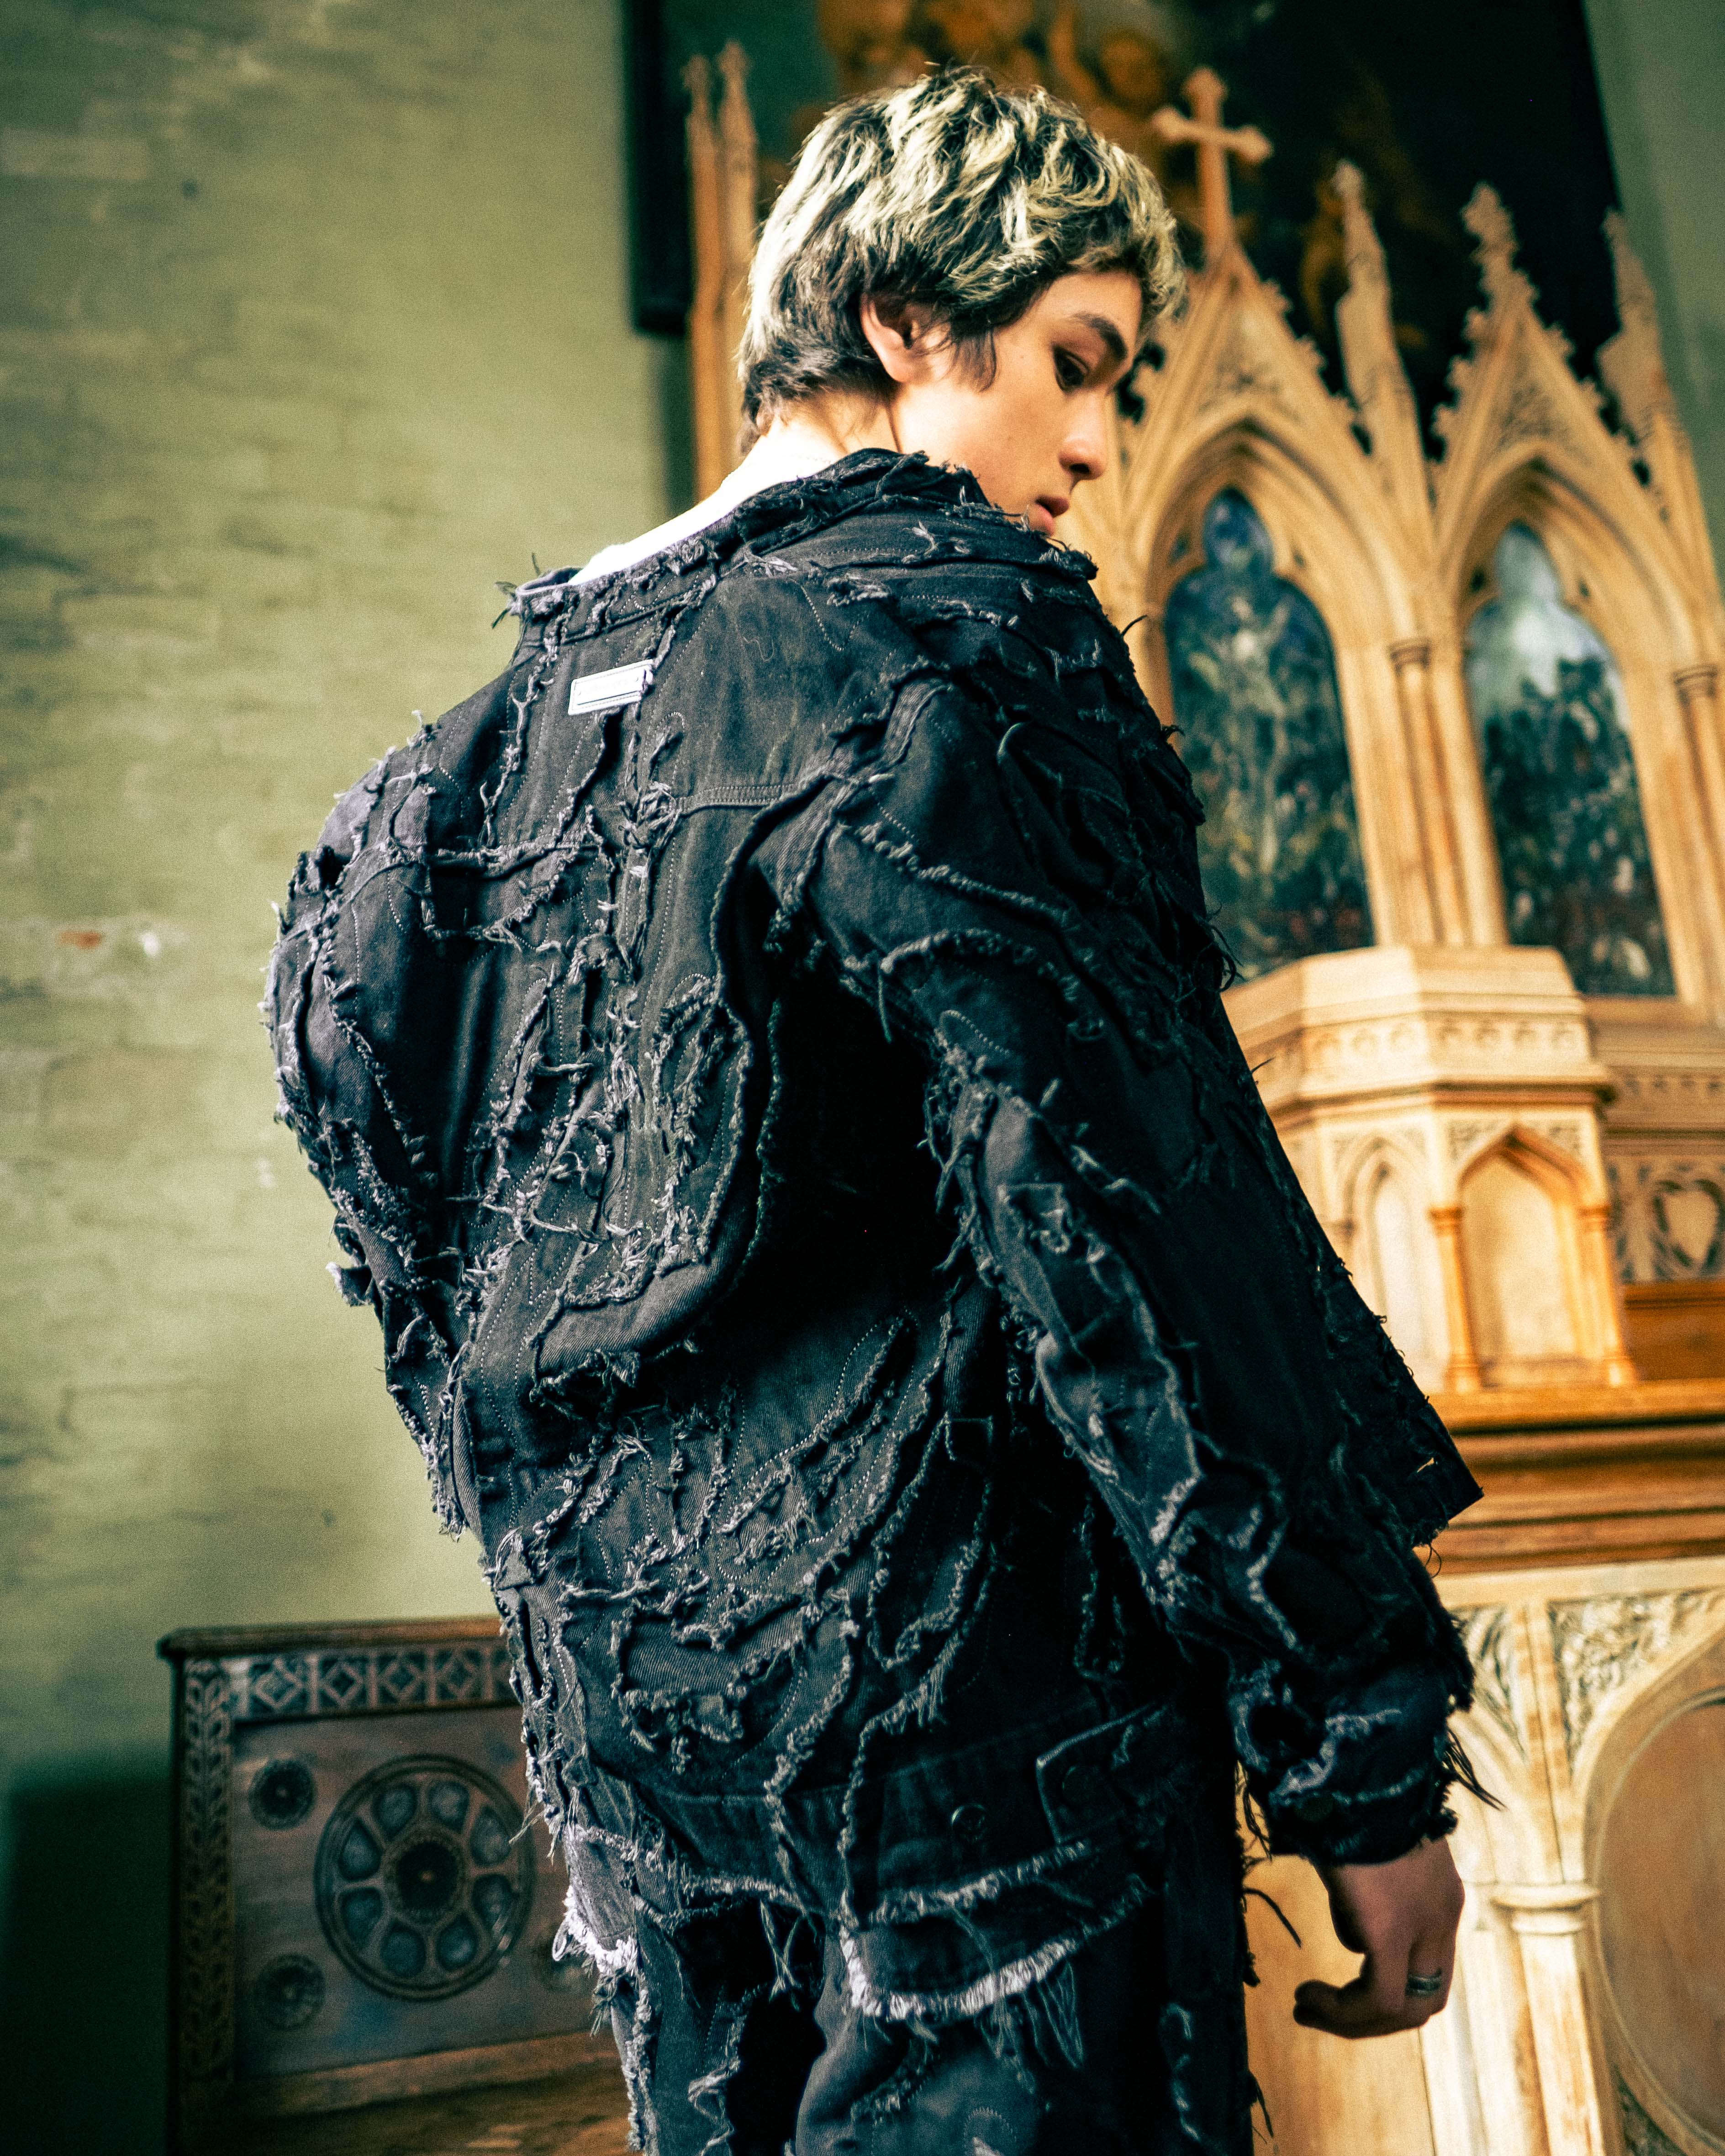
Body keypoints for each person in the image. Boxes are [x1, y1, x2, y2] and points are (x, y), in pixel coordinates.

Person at [267, 68, 1482, 2154]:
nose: (1098, 445)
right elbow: (1128, 1215)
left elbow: (417, 1270)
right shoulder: (952, 635)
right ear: (911, 321)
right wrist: (1359, 1757)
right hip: (986, 1781)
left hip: (648, 1791)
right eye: (1078, 364)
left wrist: (595, 1629)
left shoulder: (433, 786)